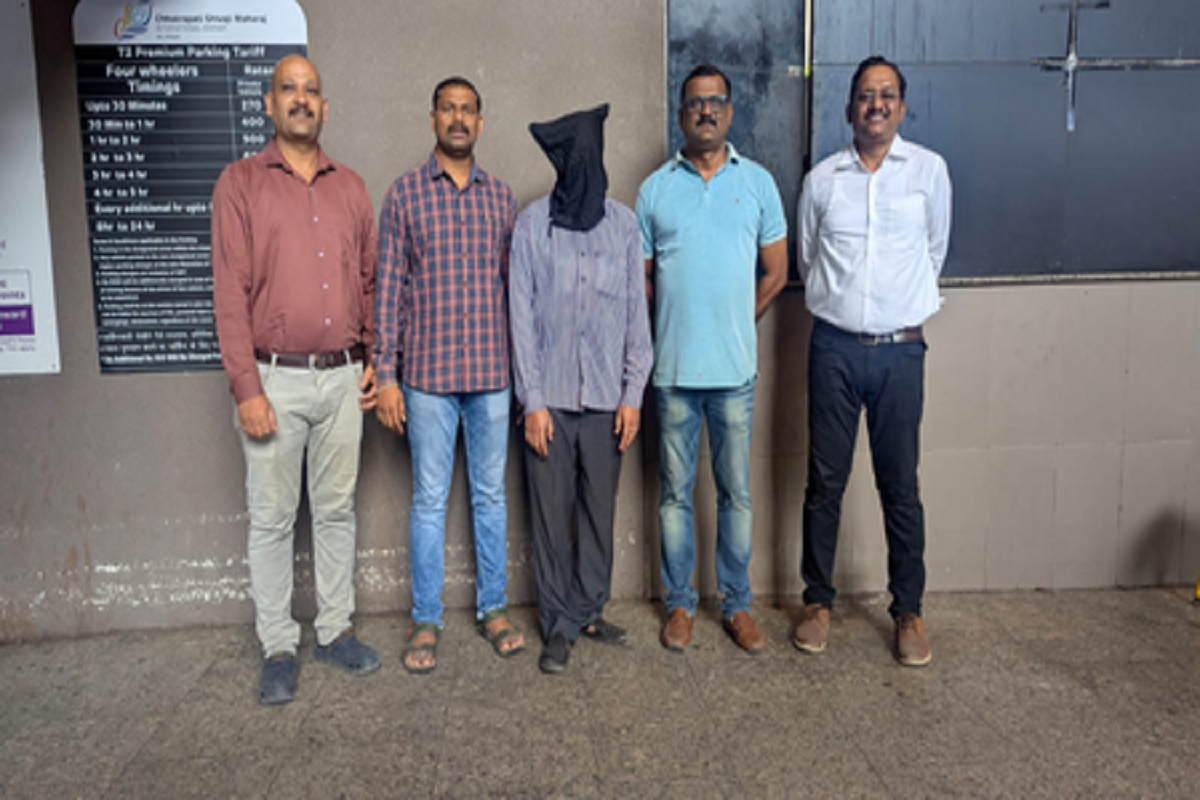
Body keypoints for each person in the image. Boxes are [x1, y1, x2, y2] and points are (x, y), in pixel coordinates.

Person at [211, 55, 381, 706]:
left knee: (336, 513)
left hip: (342, 379)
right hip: (273, 380)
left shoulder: (352, 188)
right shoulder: (240, 184)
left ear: (325, 107)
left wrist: (374, 359)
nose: (301, 99)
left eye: (311, 90)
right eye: (289, 89)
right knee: (273, 519)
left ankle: (335, 632)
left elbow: (368, 281)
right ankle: (279, 646)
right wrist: (246, 388)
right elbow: (229, 294)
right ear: (269, 103)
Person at [794, 55, 952, 667]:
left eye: (886, 94)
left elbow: (934, 252)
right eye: (865, 95)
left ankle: (908, 610)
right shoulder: (822, 180)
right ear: (849, 109)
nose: (876, 104)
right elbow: (809, 259)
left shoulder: (929, 173)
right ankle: (817, 603)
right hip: (833, 347)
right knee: (823, 484)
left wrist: (892, 308)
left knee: (900, 485)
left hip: (900, 351)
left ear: (902, 107)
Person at [637, 64, 789, 654]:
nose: (706, 110)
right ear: (681, 115)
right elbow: (642, 280)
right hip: (673, 373)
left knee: (736, 495)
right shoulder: (655, 190)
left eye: (716, 101)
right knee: (674, 496)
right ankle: (680, 605)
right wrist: (675, 323)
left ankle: (737, 605)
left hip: (734, 375)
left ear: (730, 112)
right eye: (695, 102)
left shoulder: (758, 184)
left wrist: (735, 322)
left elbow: (776, 273)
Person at [374, 76, 522, 673]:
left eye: (467, 110)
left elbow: (514, 293)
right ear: (432, 118)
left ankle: (494, 608)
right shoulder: (404, 195)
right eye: (448, 109)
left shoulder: (502, 199)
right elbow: (389, 290)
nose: (458, 119)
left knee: (490, 497)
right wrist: (386, 375)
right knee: (429, 501)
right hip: (427, 379)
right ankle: (426, 618)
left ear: (480, 123)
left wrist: (524, 379)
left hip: (491, 374)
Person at [509, 104, 654, 674]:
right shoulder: (532, 225)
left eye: (588, 156)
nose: (581, 167)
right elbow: (520, 318)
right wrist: (532, 401)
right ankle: (557, 625)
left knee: (598, 511)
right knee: (550, 517)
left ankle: (589, 610)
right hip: (548, 401)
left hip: (605, 401)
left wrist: (633, 394)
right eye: (570, 158)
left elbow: (637, 316)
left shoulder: (623, 226)